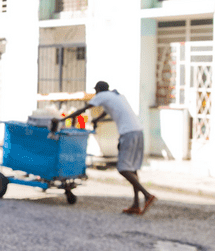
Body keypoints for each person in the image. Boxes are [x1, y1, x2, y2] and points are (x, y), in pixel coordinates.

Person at [62, 81, 157, 215]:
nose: (95, 93)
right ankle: (136, 204)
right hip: (138, 132)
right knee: (132, 168)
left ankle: (147, 195)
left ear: (99, 90)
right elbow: (107, 112)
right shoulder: (117, 96)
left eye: (96, 90)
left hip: (128, 133)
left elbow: (83, 109)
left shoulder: (102, 95)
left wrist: (64, 119)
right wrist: (97, 120)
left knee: (123, 169)